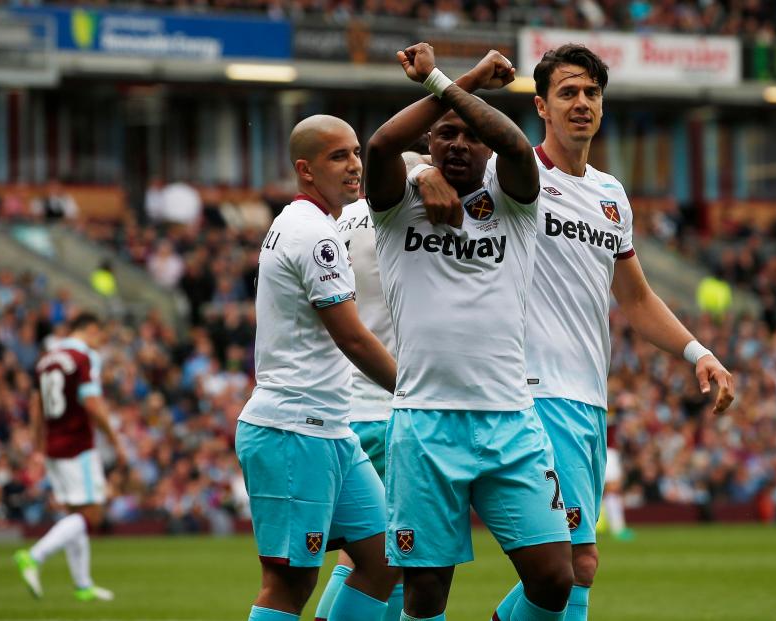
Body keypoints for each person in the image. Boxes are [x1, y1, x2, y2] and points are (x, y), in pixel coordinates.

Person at [482, 44, 736, 621]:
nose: (581, 103)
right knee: (577, 562)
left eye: (591, 93)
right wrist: (425, 179)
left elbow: (638, 298)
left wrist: (697, 352)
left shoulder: (610, 195)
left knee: (569, 567)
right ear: (542, 106)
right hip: (535, 391)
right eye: (567, 92)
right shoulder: (514, 172)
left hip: (589, 399)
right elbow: (444, 156)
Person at [366, 44, 574, 621]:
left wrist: (444, 80)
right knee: (427, 592)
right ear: (427, 141)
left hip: (510, 417)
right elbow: (380, 145)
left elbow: (512, 142)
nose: (458, 143)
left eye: (469, 135)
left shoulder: (516, 203)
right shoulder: (397, 204)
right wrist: (462, 85)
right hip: (425, 422)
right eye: (444, 134)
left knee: (555, 579)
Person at [235, 114, 399, 621]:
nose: (355, 166)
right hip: (293, 429)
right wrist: (415, 389)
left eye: (356, 153)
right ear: (306, 170)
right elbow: (351, 335)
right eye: (339, 157)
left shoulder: (309, 226)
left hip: (331, 429)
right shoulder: (314, 235)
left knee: (385, 559)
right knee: (289, 582)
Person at [313, 140, 431, 620]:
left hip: (348, 404)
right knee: (399, 556)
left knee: (370, 555)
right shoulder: (400, 217)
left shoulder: (338, 222)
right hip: (390, 405)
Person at [14, 312, 127, 602]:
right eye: (99, 335)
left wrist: (38, 448)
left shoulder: (46, 359)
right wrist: (115, 440)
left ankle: (83, 585)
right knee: (92, 514)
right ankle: (33, 556)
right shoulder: (83, 358)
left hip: (53, 446)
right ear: (89, 330)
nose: (100, 342)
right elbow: (91, 402)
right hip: (78, 444)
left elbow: (36, 406)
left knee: (75, 513)